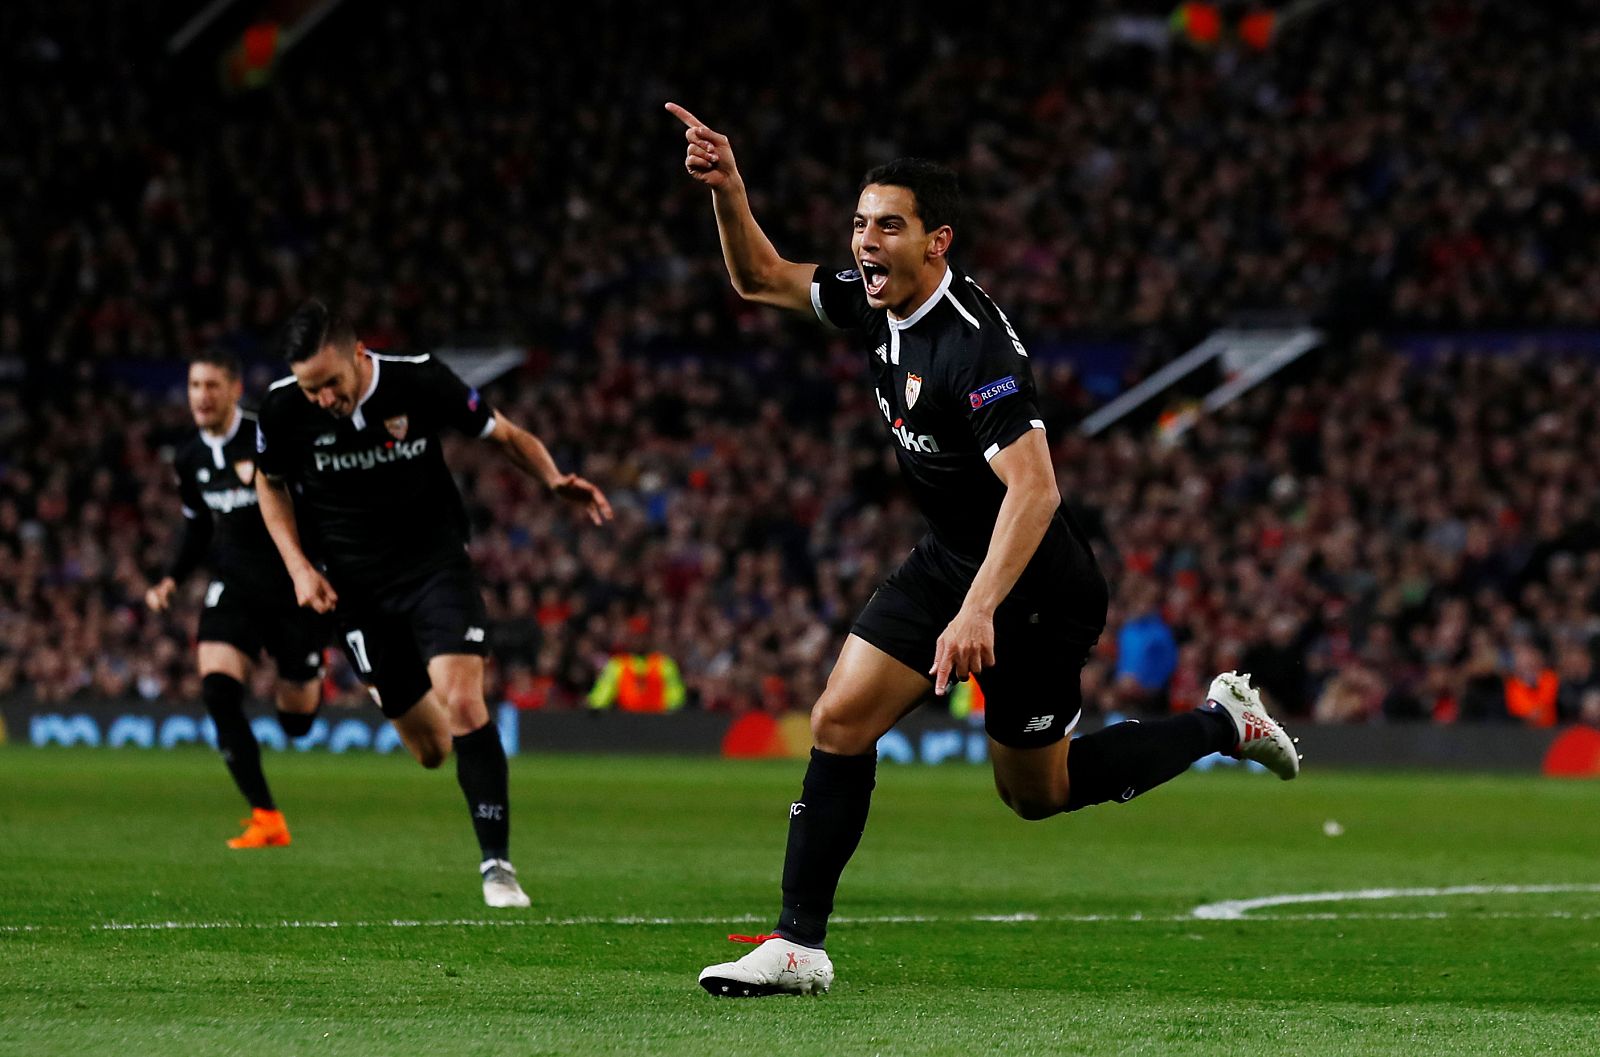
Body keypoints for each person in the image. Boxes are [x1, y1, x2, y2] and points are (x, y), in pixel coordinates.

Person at [667, 102, 1302, 997]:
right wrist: (729, 190)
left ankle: (1221, 722)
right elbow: (760, 278)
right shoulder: (873, 300)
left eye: (889, 225)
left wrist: (979, 609)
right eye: (859, 224)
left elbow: (1036, 489)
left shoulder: (975, 346)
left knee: (1035, 792)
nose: (865, 242)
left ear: (938, 241)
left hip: (1036, 585)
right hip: (951, 557)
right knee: (840, 717)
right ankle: (799, 944)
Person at [253, 302, 612, 907]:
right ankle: (457, 741)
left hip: (434, 569)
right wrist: (297, 567)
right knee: (430, 749)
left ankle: (497, 866)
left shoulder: (418, 380)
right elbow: (269, 481)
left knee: (465, 698)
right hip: (355, 592)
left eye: (331, 383)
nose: (322, 399)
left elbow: (503, 434)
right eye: (311, 388)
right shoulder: (283, 407)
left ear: (358, 353)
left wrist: (552, 479)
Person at [145, 350, 329, 849]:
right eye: (193, 386)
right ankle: (267, 816)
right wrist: (171, 579)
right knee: (218, 692)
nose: (200, 396)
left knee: (297, 722)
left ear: (233, 388)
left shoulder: (264, 434)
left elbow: (311, 503)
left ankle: (312, 670)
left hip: (291, 587)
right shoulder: (189, 457)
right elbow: (197, 525)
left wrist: (320, 568)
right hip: (234, 587)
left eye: (210, 386)